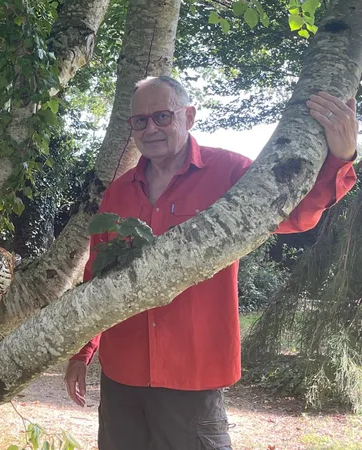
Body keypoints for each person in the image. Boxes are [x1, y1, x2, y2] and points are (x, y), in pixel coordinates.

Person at [64, 76, 358, 450]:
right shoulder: (119, 192)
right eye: (140, 121)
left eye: (162, 117)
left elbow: (295, 214)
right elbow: (97, 278)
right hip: (122, 374)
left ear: (189, 115)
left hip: (193, 373)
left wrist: (340, 157)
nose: (150, 128)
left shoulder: (231, 173)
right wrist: (83, 350)